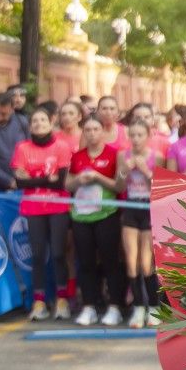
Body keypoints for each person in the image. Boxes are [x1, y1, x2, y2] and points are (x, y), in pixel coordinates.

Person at [11, 106, 74, 320]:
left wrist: (33, 178)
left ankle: (62, 299)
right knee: (37, 255)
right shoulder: (22, 148)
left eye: (42, 120)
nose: (38, 124)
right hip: (32, 207)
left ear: (51, 123)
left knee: (58, 253)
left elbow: (61, 182)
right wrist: (47, 179)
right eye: (35, 121)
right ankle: (39, 302)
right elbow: (19, 181)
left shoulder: (62, 146)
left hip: (58, 206)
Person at [68, 117, 126, 327]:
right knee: (85, 262)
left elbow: (119, 186)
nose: (92, 133)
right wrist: (78, 180)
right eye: (88, 130)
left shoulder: (114, 153)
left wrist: (98, 177)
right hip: (81, 216)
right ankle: (89, 306)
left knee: (111, 261)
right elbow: (67, 184)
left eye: (96, 129)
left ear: (102, 131)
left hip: (106, 215)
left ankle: (115, 307)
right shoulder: (77, 156)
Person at [117, 118, 161, 328]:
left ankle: (153, 306)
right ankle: (138, 307)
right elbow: (117, 186)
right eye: (132, 135)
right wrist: (124, 171)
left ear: (148, 136)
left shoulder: (156, 157)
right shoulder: (122, 156)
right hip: (131, 207)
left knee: (146, 263)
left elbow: (161, 185)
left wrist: (146, 171)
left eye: (140, 135)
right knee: (131, 262)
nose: (135, 139)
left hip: (149, 209)